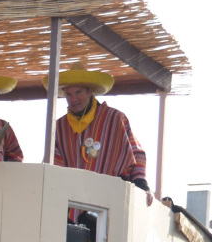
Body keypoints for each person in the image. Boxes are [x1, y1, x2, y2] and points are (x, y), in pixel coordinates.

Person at [45, 63, 153, 206]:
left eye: (78, 92)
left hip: (110, 200)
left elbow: (135, 154)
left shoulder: (114, 118)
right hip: (71, 203)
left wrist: (141, 184)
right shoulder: (58, 127)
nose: (73, 99)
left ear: (90, 92)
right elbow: (55, 166)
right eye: (69, 94)